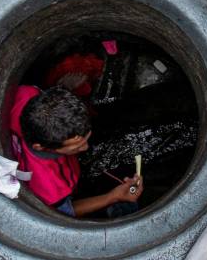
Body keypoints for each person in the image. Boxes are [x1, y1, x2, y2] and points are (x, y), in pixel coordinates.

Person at [9, 85, 143, 218]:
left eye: (86, 139)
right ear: (41, 147)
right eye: (77, 147)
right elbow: (65, 212)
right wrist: (113, 197)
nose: (86, 148)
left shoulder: (26, 94)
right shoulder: (49, 187)